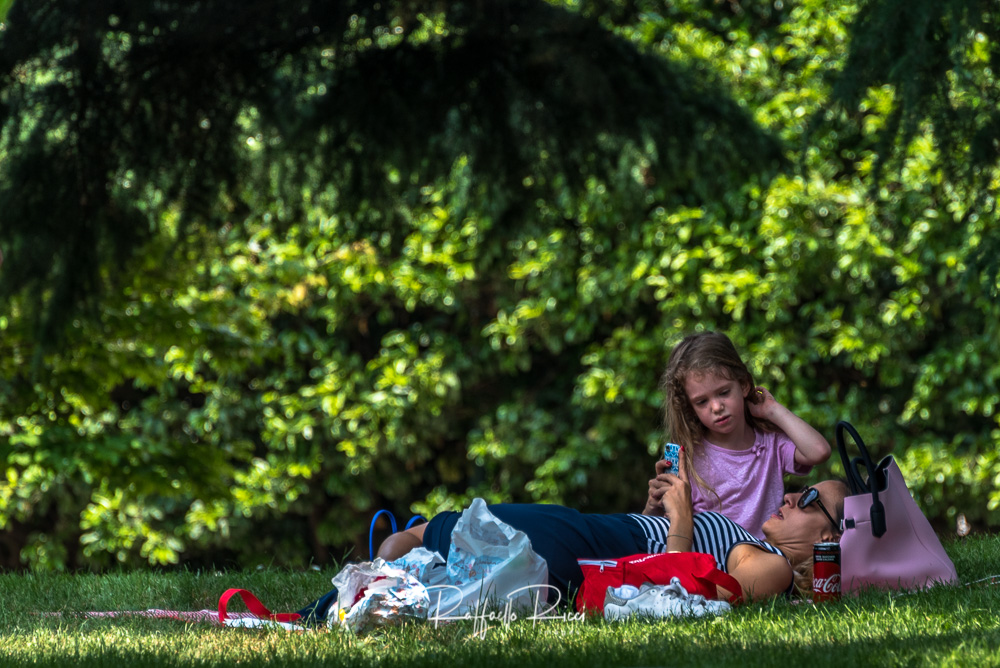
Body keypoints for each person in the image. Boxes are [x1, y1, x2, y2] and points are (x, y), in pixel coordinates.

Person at [374, 449, 847, 605]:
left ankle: (377, 582)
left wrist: (682, 520)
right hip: (598, 534)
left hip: (591, 548)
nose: (790, 496)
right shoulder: (750, 543)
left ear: (828, 539)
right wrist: (655, 512)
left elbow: (682, 599)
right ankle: (382, 578)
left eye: (809, 500)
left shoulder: (774, 568)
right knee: (432, 536)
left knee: (431, 534)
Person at [643, 331, 831, 539]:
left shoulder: (771, 443)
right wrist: (653, 507)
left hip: (766, 557)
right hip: (709, 558)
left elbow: (819, 451)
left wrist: (771, 410)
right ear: (690, 408)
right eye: (702, 402)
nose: (717, 407)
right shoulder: (687, 458)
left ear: (743, 385)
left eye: (724, 392)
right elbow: (662, 532)